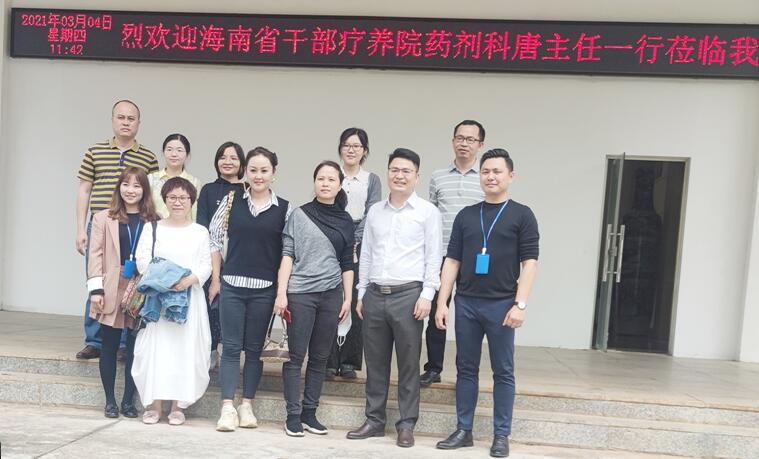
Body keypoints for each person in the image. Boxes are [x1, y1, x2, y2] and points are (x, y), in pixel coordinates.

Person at [434, 149, 539, 458]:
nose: (490, 177)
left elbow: (530, 263)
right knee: (465, 368)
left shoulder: (522, 215)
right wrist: (442, 302)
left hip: (502, 304)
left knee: (503, 370)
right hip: (466, 302)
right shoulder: (466, 215)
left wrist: (520, 304)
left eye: (497, 171)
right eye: (485, 172)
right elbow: (452, 260)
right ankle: (464, 430)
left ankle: (501, 435)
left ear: (510, 176)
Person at [346, 148, 442, 448]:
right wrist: (361, 292)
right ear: (388, 172)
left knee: (409, 363)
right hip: (375, 294)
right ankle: (374, 420)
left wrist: (428, 295)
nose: (399, 176)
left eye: (406, 171)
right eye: (394, 170)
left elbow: (433, 256)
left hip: (409, 295)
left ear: (417, 176)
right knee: (375, 362)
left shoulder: (427, 212)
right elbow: (367, 253)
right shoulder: (375, 211)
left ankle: (406, 423)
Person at [209, 147, 292, 432]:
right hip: (232, 286)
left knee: (255, 350)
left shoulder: (285, 208)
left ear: (273, 173)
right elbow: (214, 240)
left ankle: (247, 405)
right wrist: (217, 278)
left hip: (264, 289)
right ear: (246, 172)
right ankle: (227, 408)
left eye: (264, 170)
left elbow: (288, 252)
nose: (258, 176)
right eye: (253, 170)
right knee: (231, 348)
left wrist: (281, 292)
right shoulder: (232, 200)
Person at [275, 160, 355, 437]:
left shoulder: (346, 220)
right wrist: (281, 293)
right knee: (295, 356)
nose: (325, 183)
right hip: (300, 294)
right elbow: (287, 254)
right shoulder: (300, 215)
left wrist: (347, 298)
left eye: (331, 179)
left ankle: (310, 413)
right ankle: (292, 415)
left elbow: (347, 262)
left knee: (320, 357)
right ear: (314, 182)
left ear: (340, 185)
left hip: (331, 295)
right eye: (321, 178)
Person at [75, 100, 158, 360]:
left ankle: (122, 341)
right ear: (113, 120)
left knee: (128, 283)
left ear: (138, 123)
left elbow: (153, 193)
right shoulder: (95, 151)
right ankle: (95, 340)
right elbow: (84, 190)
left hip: (134, 226)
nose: (125, 122)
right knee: (97, 281)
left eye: (131, 118)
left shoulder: (148, 157)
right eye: (121, 117)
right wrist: (80, 229)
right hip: (102, 225)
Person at [132, 177, 212, 426]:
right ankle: (154, 405)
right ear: (165, 200)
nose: (178, 202)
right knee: (156, 350)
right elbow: (143, 260)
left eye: (183, 198)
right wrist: (167, 280)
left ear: (191, 201)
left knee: (184, 350)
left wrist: (187, 281)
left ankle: (178, 406)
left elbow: (206, 264)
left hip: (189, 298)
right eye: (173, 197)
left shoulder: (200, 231)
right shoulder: (152, 228)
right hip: (158, 298)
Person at [87, 167, 158, 418]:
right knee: (109, 345)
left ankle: (129, 401)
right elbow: (95, 254)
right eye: (126, 184)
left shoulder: (154, 220)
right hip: (111, 286)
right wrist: (96, 290)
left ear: (144, 190)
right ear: (119, 187)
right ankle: (110, 401)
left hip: (141, 286)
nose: (131, 190)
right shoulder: (103, 217)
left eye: (137, 186)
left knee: (136, 347)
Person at [421, 120, 486, 388]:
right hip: (442, 256)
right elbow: (432, 217)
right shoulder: (438, 176)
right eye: (460, 138)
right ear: (452, 141)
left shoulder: (485, 177)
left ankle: (466, 372)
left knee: (470, 317)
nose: (464, 143)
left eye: (470, 139)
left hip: (475, 258)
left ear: (480, 145)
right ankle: (433, 368)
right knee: (436, 311)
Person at [327, 128, 382, 380]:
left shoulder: (372, 179)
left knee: (357, 299)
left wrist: (353, 238)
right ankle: (329, 360)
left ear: (365, 151)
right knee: (331, 299)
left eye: (357, 146)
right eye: (347, 145)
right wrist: (340, 234)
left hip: (360, 243)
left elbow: (372, 212)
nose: (351, 150)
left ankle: (349, 361)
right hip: (332, 240)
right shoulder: (332, 174)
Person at [196, 141, 246, 370]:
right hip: (211, 258)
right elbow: (202, 226)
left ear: (242, 164)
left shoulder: (248, 190)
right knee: (211, 305)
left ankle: (230, 352)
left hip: (239, 260)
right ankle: (211, 349)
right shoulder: (208, 189)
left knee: (233, 309)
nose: (227, 161)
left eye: (233, 157)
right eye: (223, 157)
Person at [148, 134, 200, 220]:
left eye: (179, 150)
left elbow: (194, 214)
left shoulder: (194, 182)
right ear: (163, 152)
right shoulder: (151, 179)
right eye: (169, 149)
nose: (174, 154)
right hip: (156, 227)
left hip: (184, 228)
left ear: (187, 154)